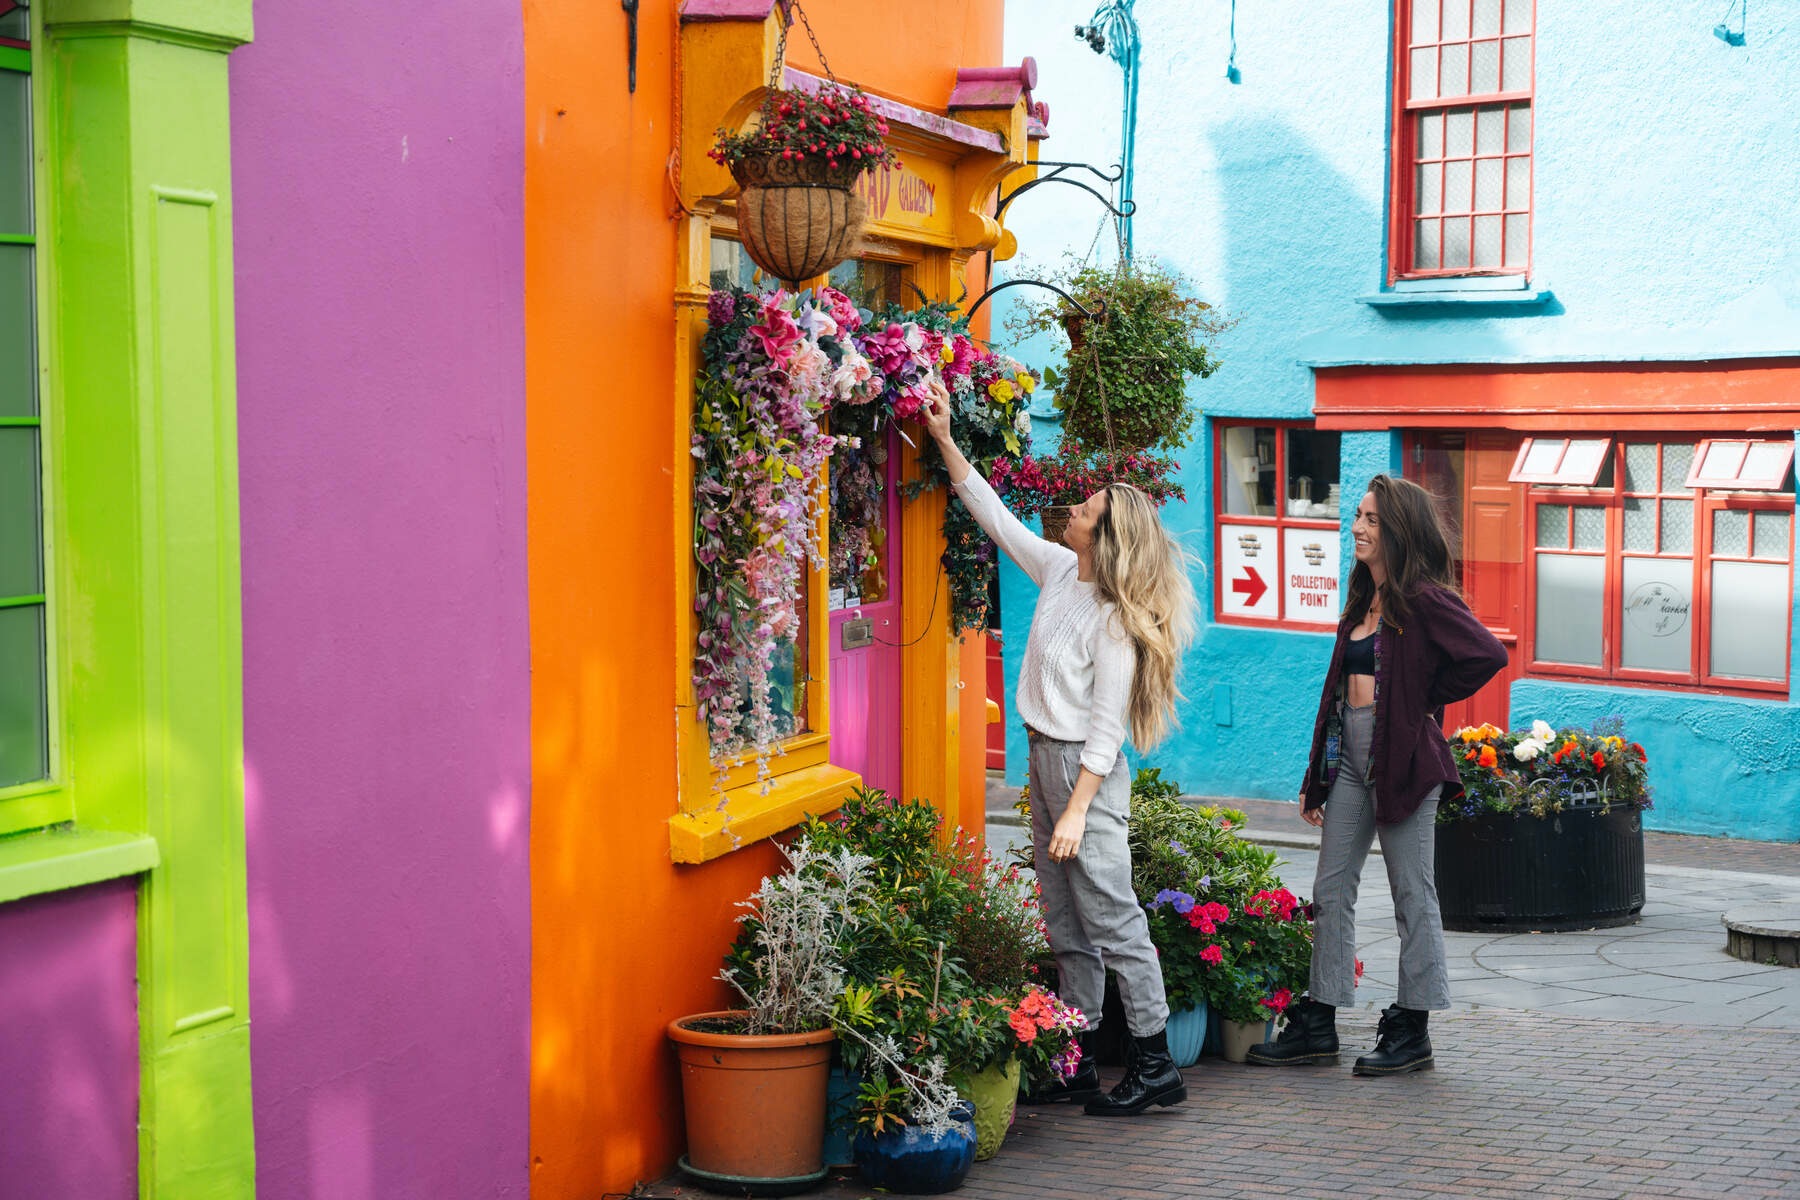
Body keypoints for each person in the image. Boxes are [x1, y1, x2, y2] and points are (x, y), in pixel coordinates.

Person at [920, 380, 1198, 1117]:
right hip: (1047, 760)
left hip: (1085, 775)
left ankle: (1153, 1061)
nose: (1072, 510)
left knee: (1113, 917)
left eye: (1086, 511)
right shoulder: (1056, 572)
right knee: (1064, 916)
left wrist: (1075, 809)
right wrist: (946, 440)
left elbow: (1106, 731)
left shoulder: (1114, 620)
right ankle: (1074, 1056)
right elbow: (995, 516)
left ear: (1103, 537)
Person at [1247, 474, 1506, 1076]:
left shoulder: (1424, 599)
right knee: (1330, 890)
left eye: (1370, 519)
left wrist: (1419, 697)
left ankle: (1412, 1027)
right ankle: (1319, 1020)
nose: (1358, 527)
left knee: (1413, 894)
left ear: (1398, 529)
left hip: (1407, 762)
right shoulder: (1362, 598)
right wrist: (1318, 776)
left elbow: (1488, 656)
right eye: (1358, 516)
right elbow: (1335, 695)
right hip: (1351, 759)